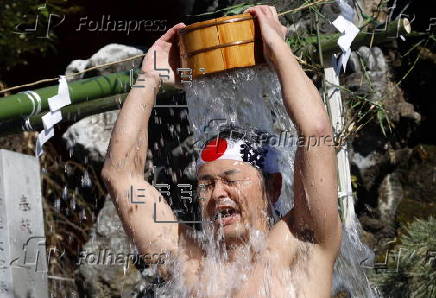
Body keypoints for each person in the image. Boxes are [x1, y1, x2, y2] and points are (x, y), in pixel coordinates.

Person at [101, 5, 342, 297]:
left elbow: (316, 133)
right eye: (207, 184)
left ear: (273, 187)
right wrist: (149, 79)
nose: (217, 194)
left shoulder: (302, 243)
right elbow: (120, 175)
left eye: (230, 179)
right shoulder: (190, 266)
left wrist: (278, 51)